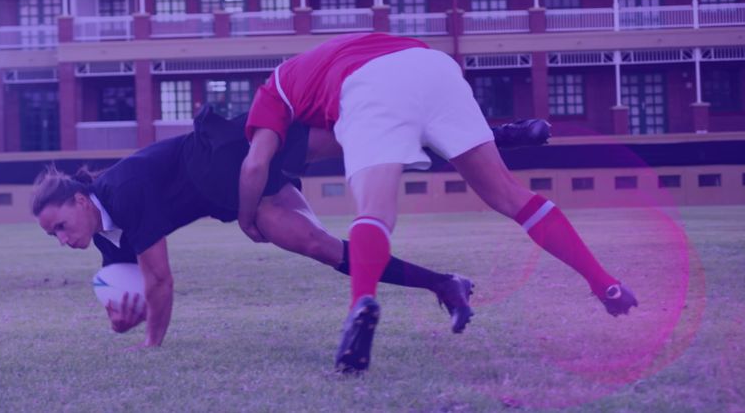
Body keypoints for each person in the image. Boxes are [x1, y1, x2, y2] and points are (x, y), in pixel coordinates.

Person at [238, 32, 638, 374]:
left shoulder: (271, 94)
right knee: (510, 196)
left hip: (367, 82)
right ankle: (606, 284)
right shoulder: (321, 64)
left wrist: (246, 219)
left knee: (375, 211)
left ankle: (360, 304)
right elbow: (408, 115)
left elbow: (256, 164)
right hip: (433, 65)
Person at [32, 105, 549, 346]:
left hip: (230, 155)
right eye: (53, 236)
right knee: (323, 248)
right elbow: (130, 293)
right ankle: (445, 283)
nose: (61, 240)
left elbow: (160, 281)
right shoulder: (105, 232)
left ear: (80, 200)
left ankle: (500, 134)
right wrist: (123, 322)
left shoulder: (121, 191)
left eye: (59, 226)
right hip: (239, 194)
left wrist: (150, 346)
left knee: (363, 139)